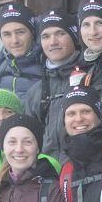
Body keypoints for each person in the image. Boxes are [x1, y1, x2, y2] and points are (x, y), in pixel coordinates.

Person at [24, 9, 82, 161]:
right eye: (46, 36)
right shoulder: (35, 92)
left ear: (74, 36)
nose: (53, 42)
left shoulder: (89, 77)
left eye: (60, 33)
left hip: (82, 172)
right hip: (47, 175)